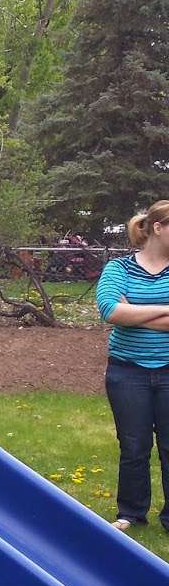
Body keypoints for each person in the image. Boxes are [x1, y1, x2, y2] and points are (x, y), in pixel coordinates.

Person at [97, 200, 169, 532]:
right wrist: (164, 310)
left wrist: (135, 313)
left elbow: (124, 313)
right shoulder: (119, 269)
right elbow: (111, 311)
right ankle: (131, 513)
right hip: (127, 372)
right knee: (134, 447)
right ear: (158, 228)